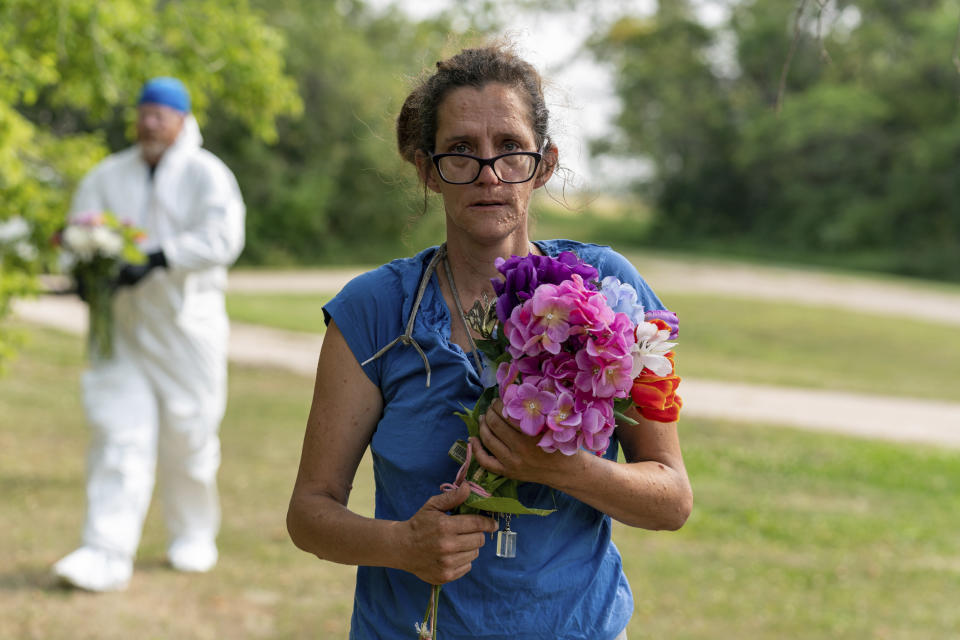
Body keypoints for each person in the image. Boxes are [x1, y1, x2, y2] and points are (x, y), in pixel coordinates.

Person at [286, 44, 693, 639]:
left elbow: (671, 498)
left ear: (544, 163)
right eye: (460, 151)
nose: (488, 174)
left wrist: (562, 468)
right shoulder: (373, 311)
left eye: (509, 148)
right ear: (428, 170)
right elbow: (309, 513)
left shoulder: (612, 294)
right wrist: (402, 544)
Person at [53, 77, 246, 592]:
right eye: (144, 112)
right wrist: (83, 274)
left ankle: (192, 535)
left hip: (187, 331)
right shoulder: (106, 174)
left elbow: (223, 239)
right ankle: (105, 550)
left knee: (191, 435)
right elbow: (79, 231)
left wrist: (159, 258)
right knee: (118, 435)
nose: (150, 121)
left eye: (161, 113)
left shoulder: (207, 174)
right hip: (121, 330)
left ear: (182, 120)